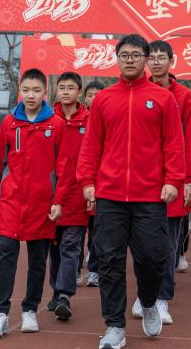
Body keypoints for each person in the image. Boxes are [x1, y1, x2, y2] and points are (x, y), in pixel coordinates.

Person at [76, 34, 185, 349]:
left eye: (136, 55)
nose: (129, 60)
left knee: (153, 257)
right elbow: (91, 145)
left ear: (146, 59)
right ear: (117, 58)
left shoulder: (162, 98)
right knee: (109, 261)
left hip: (150, 196)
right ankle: (114, 326)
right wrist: (87, 182)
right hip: (110, 197)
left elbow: (173, 143)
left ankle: (149, 302)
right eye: (124, 55)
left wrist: (173, 180)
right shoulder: (104, 99)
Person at [0, 69, 65, 337]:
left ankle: (30, 310)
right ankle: (0, 314)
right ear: (20, 91)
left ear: (45, 92)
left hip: (42, 205)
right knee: (4, 255)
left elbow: (63, 168)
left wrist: (58, 201)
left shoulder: (56, 125)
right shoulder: (9, 123)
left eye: (36, 90)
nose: (31, 95)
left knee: (38, 260)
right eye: (26, 90)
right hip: (11, 202)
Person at [128, 40, 191, 326]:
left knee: (167, 245)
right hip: (141, 181)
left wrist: (189, 180)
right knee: (142, 245)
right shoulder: (135, 91)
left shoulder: (184, 96)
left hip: (172, 180)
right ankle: (144, 294)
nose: (156, 62)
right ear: (146, 61)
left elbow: (190, 141)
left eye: (162, 58)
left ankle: (161, 299)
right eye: (153, 58)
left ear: (172, 61)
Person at [46, 72, 90, 322]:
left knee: (71, 246)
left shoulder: (90, 120)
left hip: (76, 195)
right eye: (61, 87)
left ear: (79, 92)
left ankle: (64, 295)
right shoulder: (49, 120)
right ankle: (56, 290)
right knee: (54, 247)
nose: (65, 92)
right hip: (51, 194)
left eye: (70, 88)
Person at [82, 80, 105, 289]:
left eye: (98, 94)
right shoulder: (78, 119)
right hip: (79, 184)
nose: (94, 98)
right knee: (77, 231)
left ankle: (95, 270)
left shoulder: (107, 118)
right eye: (90, 95)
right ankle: (74, 267)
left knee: (97, 231)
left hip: (100, 184)